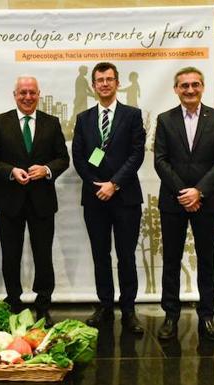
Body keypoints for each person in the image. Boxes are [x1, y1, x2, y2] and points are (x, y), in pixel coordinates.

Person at [0, 76, 69, 326]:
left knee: (43, 255)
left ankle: (43, 304)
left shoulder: (51, 123)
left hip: (42, 201)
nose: (28, 97)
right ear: (15, 95)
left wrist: (46, 169)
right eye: (23, 93)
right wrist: (11, 171)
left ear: (39, 94)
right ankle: (14, 303)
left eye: (32, 92)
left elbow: (63, 159)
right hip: (10, 201)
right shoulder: (0, 122)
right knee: (11, 255)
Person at [154, 67, 214, 342]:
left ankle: (207, 317)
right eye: (184, 85)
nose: (189, 90)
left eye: (195, 85)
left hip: (207, 202)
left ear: (202, 87)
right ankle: (171, 316)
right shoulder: (165, 119)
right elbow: (160, 160)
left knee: (206, 260)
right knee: (171, 260)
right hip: (173, 202)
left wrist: (199, 191)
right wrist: (183, 193)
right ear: (176, 89)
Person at [71, 62, 146, 334]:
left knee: (126, 256)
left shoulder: (132, 115)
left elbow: (137, 154)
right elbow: (78, 157)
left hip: (125, 198)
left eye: (109, 79)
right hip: (95, 199)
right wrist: (96, 185)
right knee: (100, 255)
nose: (104, 84)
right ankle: (105, 306)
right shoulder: (84, 118)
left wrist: (113, 184)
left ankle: (128, 309)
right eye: (99, 80)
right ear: (93, 85)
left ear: (117, 83)